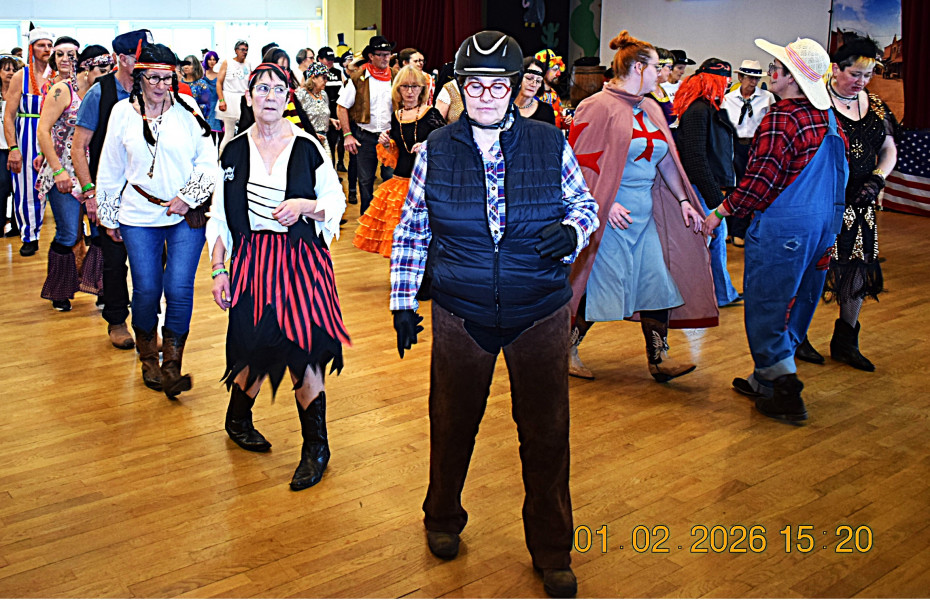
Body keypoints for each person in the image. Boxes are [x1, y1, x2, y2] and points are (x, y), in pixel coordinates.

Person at [390, 31, 598, 599]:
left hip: (540, 310)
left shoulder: (549, 142)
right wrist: (403, 301)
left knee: (547, 433)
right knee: (452, 422)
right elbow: (413, 228)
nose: (485, 96)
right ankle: (441, 516)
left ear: (515, 88)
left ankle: (552, 549)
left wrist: (572, 230)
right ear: (460, 88)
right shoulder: (437, 148)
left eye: (497, 86)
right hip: (462, 311)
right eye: (475, 86)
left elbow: (584, 205)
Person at [206, 62, 348, 491]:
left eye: (278, 89)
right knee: (252, 345)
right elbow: (219, 217)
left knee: (305, 349)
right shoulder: (232, 150)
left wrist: (305, 206)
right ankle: (237, 419)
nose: (270, 96)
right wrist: (219, 269)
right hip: (252, 261)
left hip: (303, 260)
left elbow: (336, 201)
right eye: (262, 88)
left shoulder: (308, 146)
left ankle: (316, 447)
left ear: (288, 97)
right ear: (248, 97)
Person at [702, 38, 848, 423]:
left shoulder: (782, 118)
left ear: (791, 78)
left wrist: (721, 212)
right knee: (800, 300)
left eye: (776, 68)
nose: (771, 73)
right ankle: (765, 377)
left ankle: (784, 388)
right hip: (823, 226)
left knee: (768, 303)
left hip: (785, 228)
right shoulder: (829, 118)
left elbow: (761, 179)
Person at [568, 31, 716, 382]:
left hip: (644, 215)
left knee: (656, 283)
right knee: (601, 285)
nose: (661, 74)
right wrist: (605, 202)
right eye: (656, 67)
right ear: (638, 68)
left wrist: (684, 200)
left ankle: (659, 358)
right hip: (611, 218)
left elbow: (666, 160)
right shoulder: (596, 106)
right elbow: (578, 164)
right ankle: (565, 348)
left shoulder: (650, 107)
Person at [96, 43, 217, 399]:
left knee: (179, 289)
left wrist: (189, 197)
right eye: (154, 78)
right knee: (147, 289)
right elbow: (110, 167)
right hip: (137, 213)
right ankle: (148, 356)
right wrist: (108, 215)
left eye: (168, 78)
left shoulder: (188, 109)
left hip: (185, 214)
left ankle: (172, 365)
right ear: (139, 77)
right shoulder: (122, 113)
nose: (162, 86)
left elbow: (208, 161)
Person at [796, 35, 897, 372]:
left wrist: (877, 178)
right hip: (822, 202)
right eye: (855, 74)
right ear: (836, 69)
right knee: (812, 268)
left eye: (868, 75)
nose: (862, 81)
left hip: (861, 203)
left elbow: (889, 148)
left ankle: (846, 341)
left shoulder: (876, 105)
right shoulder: (818, 102)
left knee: (856, 271)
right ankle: (797, 335)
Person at [71, 29, 153, 351]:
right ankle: (117, 320)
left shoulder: (153, 89)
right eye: (139, 57)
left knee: (150, 262)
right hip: (110, 190)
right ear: (122, 59)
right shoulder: (100, 93)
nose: (146, 63)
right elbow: (79, 147)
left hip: (147, 192)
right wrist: (90, 192)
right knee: (114, 260)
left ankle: (148, 325)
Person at [35, 43, 112, 312]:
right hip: (64, 172)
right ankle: (60, 289)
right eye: (101, 70)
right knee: (68, 234)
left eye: (109, 70)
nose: (106, 76)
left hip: (94, 173)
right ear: (86, 68)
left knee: (101, 233)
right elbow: (43, 130)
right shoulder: (62, 90)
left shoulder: (104, 93)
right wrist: (57, 170)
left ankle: (100, 287)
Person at [353, 65, 444, 256]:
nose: (410, 91)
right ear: (398, 89)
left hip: (424, 184)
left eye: (414, 86)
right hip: (400, 182)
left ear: (422, 89)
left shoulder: (431, 113)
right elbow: (395, 157)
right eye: (405, 86)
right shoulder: (397, 116)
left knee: (423, 240)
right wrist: (388, 145)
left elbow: (445, 145)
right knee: (399, 242)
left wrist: (427, 146)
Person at [675, 58, 742, 308]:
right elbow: (696, 158)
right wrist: (716, 198)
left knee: (713, 240)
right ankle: (716, 294)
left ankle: (722, 293)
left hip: (702, 186)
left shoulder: (702, 108)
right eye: (725, 80)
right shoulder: (699, 110)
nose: (727, 85)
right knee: (710, 239)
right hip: (700, 187)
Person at [3, 27, 54, 257]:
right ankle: (29, 236)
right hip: (27, 138)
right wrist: (13, 148)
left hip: (55, 137)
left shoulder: (59, 75)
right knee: (26, 189)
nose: (47, 49)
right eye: (42, 45)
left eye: (49, 45)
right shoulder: (21, 76)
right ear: (32, 48)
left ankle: (69, 234)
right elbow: (9, 116)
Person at [337, 35, 396, 215]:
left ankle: (387, 220)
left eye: (388, 54)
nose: (385, 58)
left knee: (390, 179)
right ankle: (367, 221)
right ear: (371, 56)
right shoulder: (358, 78)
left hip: (390, 137)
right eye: (381, 54)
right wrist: (347, 135)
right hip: (365, 136)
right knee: (365, 181)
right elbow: (341, 107)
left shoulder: (396, 77)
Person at [722, 59, 776, 247]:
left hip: (756, 145)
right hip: (733, 145)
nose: (753, 82)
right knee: (731, 185)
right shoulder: (728, 98)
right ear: (740, 77)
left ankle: (740, 231)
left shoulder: (767, 97)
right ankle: (728, 229)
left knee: (749, 187)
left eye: (756, 78)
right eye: (749, 77)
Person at [1, 54, 23, 238]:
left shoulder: (20, 94)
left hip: (18, 145)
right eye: (6, 69)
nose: (10, 73)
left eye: (14, 69)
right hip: (0, 148)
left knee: (19, 187)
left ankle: (18, 224)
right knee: (2, 186)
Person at [216, 39, 251, 153]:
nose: (244, 52)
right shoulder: (227, 62)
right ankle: (221, 157)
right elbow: (219, 83)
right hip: (230, 98)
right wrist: (221, 100)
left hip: (244, 99)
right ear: (236, 50)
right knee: (229, 133)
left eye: (246, 50)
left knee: (244, 131)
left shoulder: (248, 64)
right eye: (242, 50)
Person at [295, 61, 335, 157]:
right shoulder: (301, 95)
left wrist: (330, 120)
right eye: (323, 78)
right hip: (308, 139)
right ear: (313, 78)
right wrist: (312, 134)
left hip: (324, 139)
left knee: (328, 164)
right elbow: (298, 119)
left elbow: (318, 114)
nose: (326, 81)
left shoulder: (324, 94)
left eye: (327, 78)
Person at [317, 46, 345, 165]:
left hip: (337, 111)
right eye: (327, 59)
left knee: (338, 140)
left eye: (332, 59)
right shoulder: (315, 74)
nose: (330, 61)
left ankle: (339, 164)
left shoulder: (338, 72)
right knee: (326, 144)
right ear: (319, 59)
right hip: (322, 113)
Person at [534, 48, 569, 129]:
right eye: (555, 69)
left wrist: (566, 122)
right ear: (543, 70)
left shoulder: (554, 95)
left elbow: (559, 121)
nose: (559, 74)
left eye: (559, 69)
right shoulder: (532, 95)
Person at [191, 51, 222, 140]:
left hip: (217, 106)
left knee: (218, 135)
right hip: (204, 107)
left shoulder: (220, 75)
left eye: (214, 59)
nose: (212, 62)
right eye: (210, 59)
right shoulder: (201, 75)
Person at [514, 57, 555, 124]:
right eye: (529, 78)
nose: (534, 84)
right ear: (518, 78)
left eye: (538, 81)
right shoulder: (504, 107)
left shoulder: (547, 111)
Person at [647, 47, 676, 126]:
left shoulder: (660, 88)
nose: (670, 72)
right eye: (669, 67)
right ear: (658, 66)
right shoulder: (644, 92)